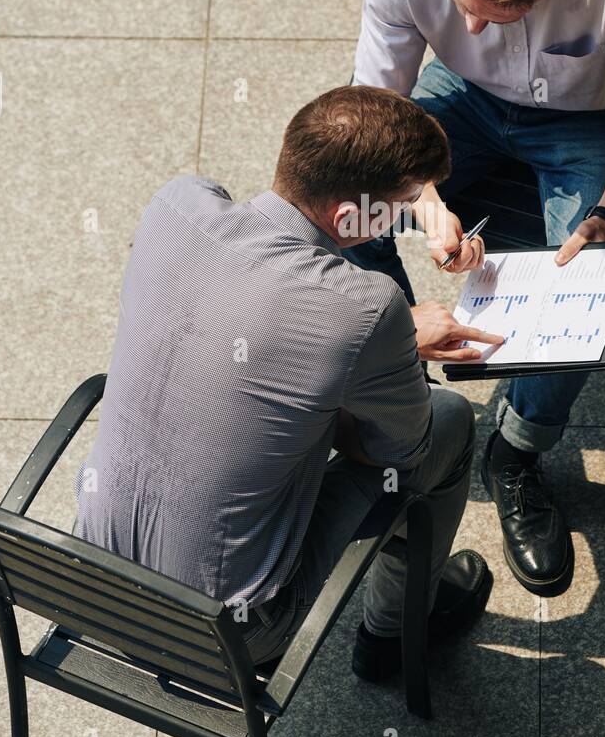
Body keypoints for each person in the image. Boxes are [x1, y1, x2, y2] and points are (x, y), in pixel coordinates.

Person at [74, 85, 504, 682]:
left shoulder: (175, 204)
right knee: (451, 421)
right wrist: (392, 349)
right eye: (403, 206)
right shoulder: (368, 306)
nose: (409, 216)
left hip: (91, 584)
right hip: (228, 634)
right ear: (350, 220)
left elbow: (242, 309)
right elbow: (395, 452)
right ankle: (395, 634)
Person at [344, 0, 605, 597]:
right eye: (466, 9)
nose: (473, 30)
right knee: (348, 196)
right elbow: (377, 110)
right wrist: (425, 198)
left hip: (588, 116)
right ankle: (400, 369)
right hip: (462, 101)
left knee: (590, 277)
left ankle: (518, 452)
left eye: (497, 17)